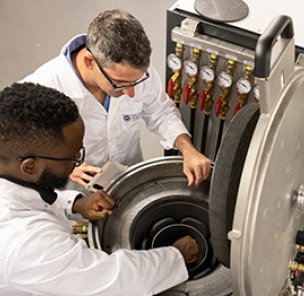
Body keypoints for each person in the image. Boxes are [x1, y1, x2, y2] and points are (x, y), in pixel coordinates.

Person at [0, 82, 198, 296]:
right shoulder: (21, 243)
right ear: (30, 165)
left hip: (42, 290)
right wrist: (175, 256)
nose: (77, 165)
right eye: (70, 159)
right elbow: (110, 275)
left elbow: (32, 198)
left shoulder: (12, 174)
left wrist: (74, 204)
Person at [22, 8, 212, 188]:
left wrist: (187, 148)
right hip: (74, 197)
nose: (130, 92)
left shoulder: (133, 73)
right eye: (120, 83)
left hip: (128, 182)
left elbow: (160, 112)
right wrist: (62, 168)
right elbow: (19, 150)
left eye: (135, 83)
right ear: (90, 61)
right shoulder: (43, 88)